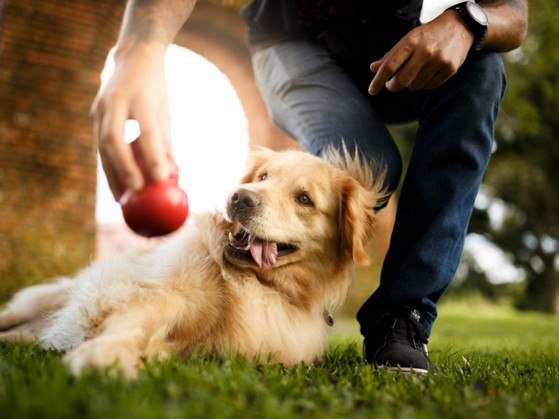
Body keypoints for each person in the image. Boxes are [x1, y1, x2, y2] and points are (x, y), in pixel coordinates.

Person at [91, 0, 529, 374]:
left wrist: (468, 22)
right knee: (371, 167)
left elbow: (513, 14)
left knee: (484, 70)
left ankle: (402, 314)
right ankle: (287, 295)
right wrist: (139, 51)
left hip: (406, 49)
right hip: (295, 43)